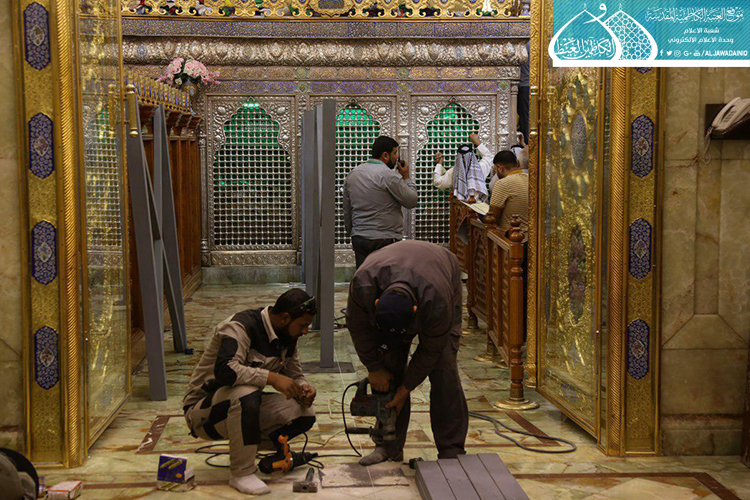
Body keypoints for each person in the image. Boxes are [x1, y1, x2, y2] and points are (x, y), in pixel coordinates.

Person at [183, 289, 318, 495]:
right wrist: (272, 378)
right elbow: (226, 371)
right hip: (203, 412)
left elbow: (294, 373)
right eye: (303, 325)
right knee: (247, 393)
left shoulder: (286, 336)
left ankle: (247, 450)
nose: (305, 331)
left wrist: (303, 389)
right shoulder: (240, 326)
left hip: (240, 406)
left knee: (303, 413)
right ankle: (242, 472)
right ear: (285, 318)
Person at [346, 240, 468, 465]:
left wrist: (406, 389)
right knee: (387, 367)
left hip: (440, 270)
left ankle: (451, 449)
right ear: (376, 303)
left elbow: (430, 351)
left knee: (444, 368)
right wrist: (374, 367)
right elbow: (358, 328)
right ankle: (387, 445)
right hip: (395, 268)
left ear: (415, 311)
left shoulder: (437, 301)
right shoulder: (363, 285)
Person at [343, 136, 418, 268]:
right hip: (384, 239)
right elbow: (411, 201)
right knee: (384, 278)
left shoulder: (353, 174)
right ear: (385, 155)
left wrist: (353, 232)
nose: (397, 158)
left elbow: (347, 210)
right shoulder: (389, 175)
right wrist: (406, 177)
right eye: (395, 153)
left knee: (364, 276)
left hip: (360, 237)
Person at [433, 133, 499, 192]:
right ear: (473, 156)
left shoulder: (454, 172)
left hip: (459, 202)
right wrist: (477, 142)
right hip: (478, 202)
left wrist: (439, 164)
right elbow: (489, 157)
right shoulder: (480, 169)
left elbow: (437, 182)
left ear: (458, 157)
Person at [488, 149, 529, 234]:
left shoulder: (502, 183)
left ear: (500, 168)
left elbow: (492, 218)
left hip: (511, 238)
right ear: (518, 163)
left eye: (495, 170)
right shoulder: (532, 180)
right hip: (533, 237)